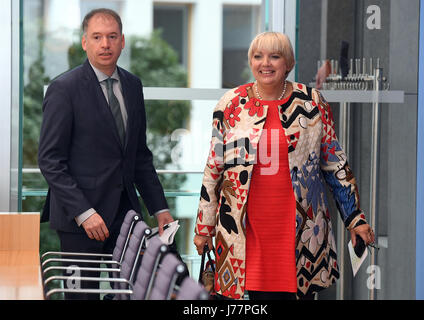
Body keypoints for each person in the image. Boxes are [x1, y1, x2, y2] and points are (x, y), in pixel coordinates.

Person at [193, 32, 375, 300]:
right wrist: (204, 227)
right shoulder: (231, 104)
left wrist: (354, 218)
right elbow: (214, 170)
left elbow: (335, 165)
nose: (265, 63)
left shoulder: (312, 102)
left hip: (299, 230)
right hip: (245, 230)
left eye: (274, 56)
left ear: (288, 62)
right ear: (251, 61)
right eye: (258, 56)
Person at [38, 8, 173, 299]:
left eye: (112, 37)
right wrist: (84, 213)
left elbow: (139, 156)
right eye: (97, 37)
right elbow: (50, 161)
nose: (105, 44)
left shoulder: (133, 86)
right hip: (80, 221)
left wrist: (160, 208)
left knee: (130, 294)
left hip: (126, 219)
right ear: (84, 42)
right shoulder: (64, 88)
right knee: (81, 298)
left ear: (122, 41)